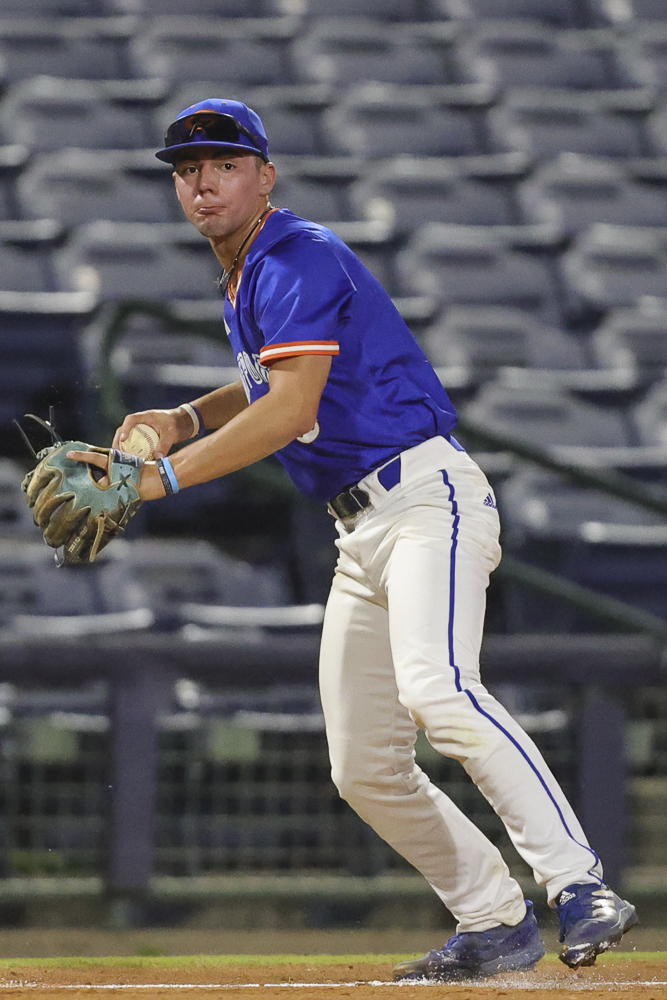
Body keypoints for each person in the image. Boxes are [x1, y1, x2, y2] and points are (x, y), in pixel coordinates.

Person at [69, 99, 637, 981]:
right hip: (359, 527)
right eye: (187, 169)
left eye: (223, 163)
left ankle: (577, 883)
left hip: (424, 500)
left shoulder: (296, 253)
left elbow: (291, 410)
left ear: (265, 176)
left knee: (439, 692)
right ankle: (493, 921)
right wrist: (182, 418)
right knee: (363, 767)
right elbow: (272, 382)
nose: (202, 181)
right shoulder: (249, 271)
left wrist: (163, 476)